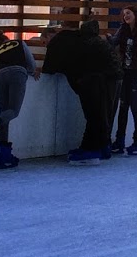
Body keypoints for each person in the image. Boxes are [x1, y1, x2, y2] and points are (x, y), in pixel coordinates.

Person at [41, 19, 115, 162]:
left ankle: (91, 149)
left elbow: (48, 68)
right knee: (99, 114)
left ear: (49, 36)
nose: (45, 47)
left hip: (86, 80)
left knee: (93, 115)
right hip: (100, 77)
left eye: (44, 43)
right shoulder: (75, 37)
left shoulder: (56, 43)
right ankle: (101, 146)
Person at [0, 29, 38, 168]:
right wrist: (31, 72)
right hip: (18, 73)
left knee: (4, 112)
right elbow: (31, 64)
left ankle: (4, 156)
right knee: (13, 111)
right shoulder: (19, 44)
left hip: (1, 77)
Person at [109, 7, 137, 155]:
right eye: (124, 14)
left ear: (135, 14)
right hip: (125, 72)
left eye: (129, 13)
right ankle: (119, 140)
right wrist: (108, 38)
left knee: (134, 106)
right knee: (123, 106)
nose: (126, 15)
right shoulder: (123, 29)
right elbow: (114, 42)